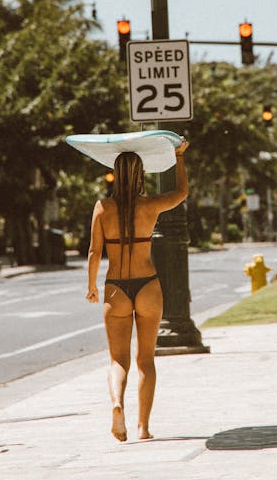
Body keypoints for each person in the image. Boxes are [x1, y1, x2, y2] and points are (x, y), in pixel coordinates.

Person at [86, 139, 189, 442]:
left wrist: (92, 286)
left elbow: (94, 252)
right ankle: (143, 427)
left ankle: (117, 403)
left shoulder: (102, 208)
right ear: (141, 175)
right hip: (147, 286)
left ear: (115, 175)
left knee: (118, 360)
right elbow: (181, 192)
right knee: (146, 360)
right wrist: (179, 158)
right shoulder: (150, 205)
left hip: (116, 287)